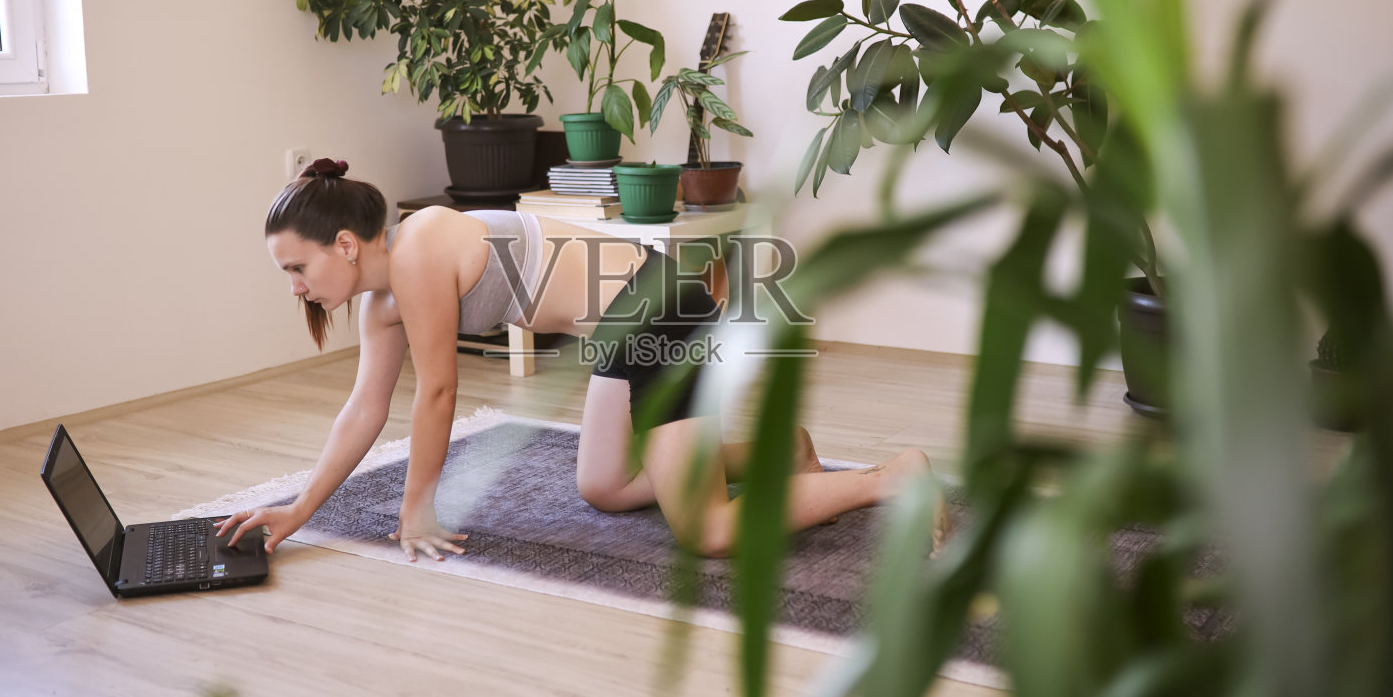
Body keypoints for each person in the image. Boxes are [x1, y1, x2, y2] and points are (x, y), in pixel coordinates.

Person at [215, 158, 936, 561]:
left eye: (295, 266)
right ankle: (784, 449)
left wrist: (417, 510)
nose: (296, 286)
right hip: (621, 330)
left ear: (344, 243)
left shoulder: (422, 245)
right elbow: (364, 409)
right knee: (606, 486)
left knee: (709, 529)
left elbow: (437, 393)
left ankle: (887, 479)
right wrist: (298, 509)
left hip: (663, 311)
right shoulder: (381, 305)